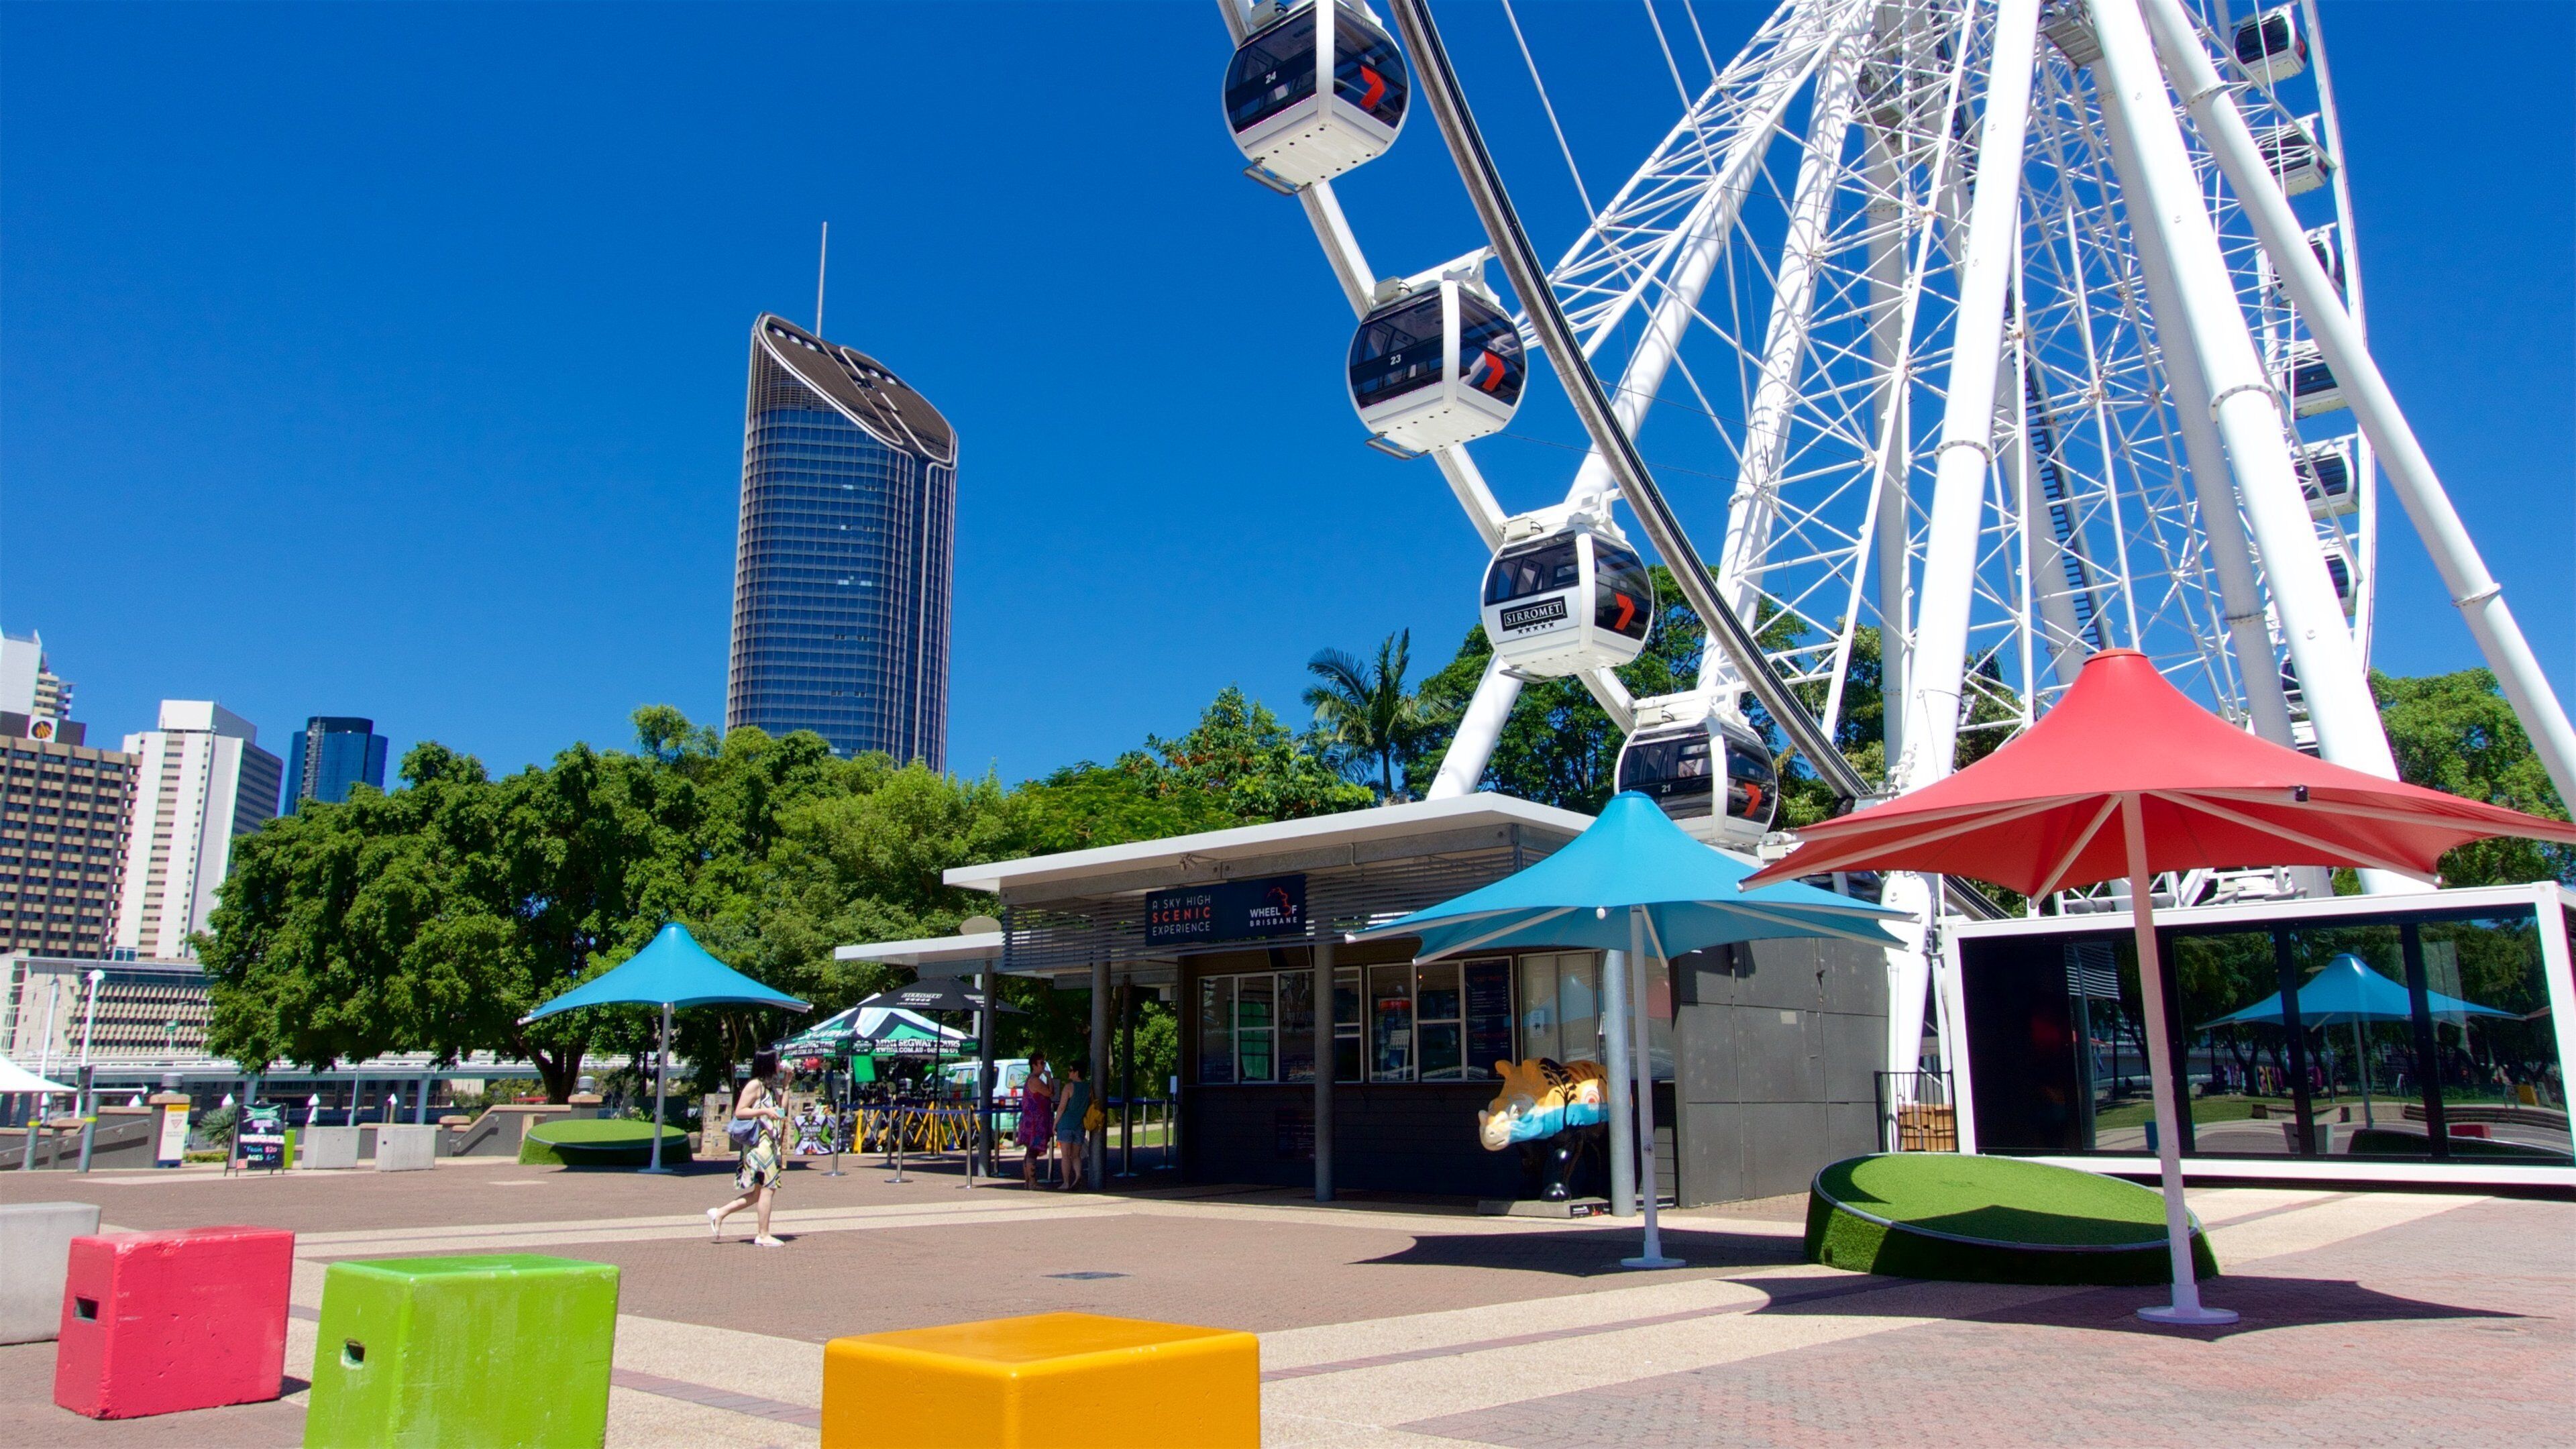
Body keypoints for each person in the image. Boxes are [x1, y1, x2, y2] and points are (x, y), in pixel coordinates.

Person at [707, 1051, 788, 1248]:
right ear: (769, 1063)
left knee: (758, 1194)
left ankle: (719, 1213)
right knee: (769, 1188)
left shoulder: (770, 1088)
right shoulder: (755, 1085)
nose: (780, 1064)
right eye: (777, 1061)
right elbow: (740, 1111)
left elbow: (782, 1110)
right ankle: (763, 1234)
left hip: (769, 1144)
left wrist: (787, 1086)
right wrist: (764, 1111)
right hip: (759, 1144)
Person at [1018, 1053, 1056, 1188]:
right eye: (1041, 1063)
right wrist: (1050, 1078)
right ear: (1034, 1065)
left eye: (1044, 1063)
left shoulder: (1032, 1079)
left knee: (1030, 1150)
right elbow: (1050, 1093)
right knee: (1033, 1150)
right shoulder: (1034, 1080)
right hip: (1035, 1121)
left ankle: (1029, 1181)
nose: (1043, 1066)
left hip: (1032, 1119)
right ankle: (1032, 1181)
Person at [1053, 1063, 1092, 1192]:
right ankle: (1078, 1175)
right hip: (1079, 1125)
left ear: (1076, 1072)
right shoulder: (1089, 1088)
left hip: (1066, 1124)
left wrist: (1055, 1123)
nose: (1068, 1073)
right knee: (1076, 1155)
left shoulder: (1069, 1087)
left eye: (1070, 1070)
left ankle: (1066, 1182)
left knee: (1065, 1156)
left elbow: (1062, 1107)